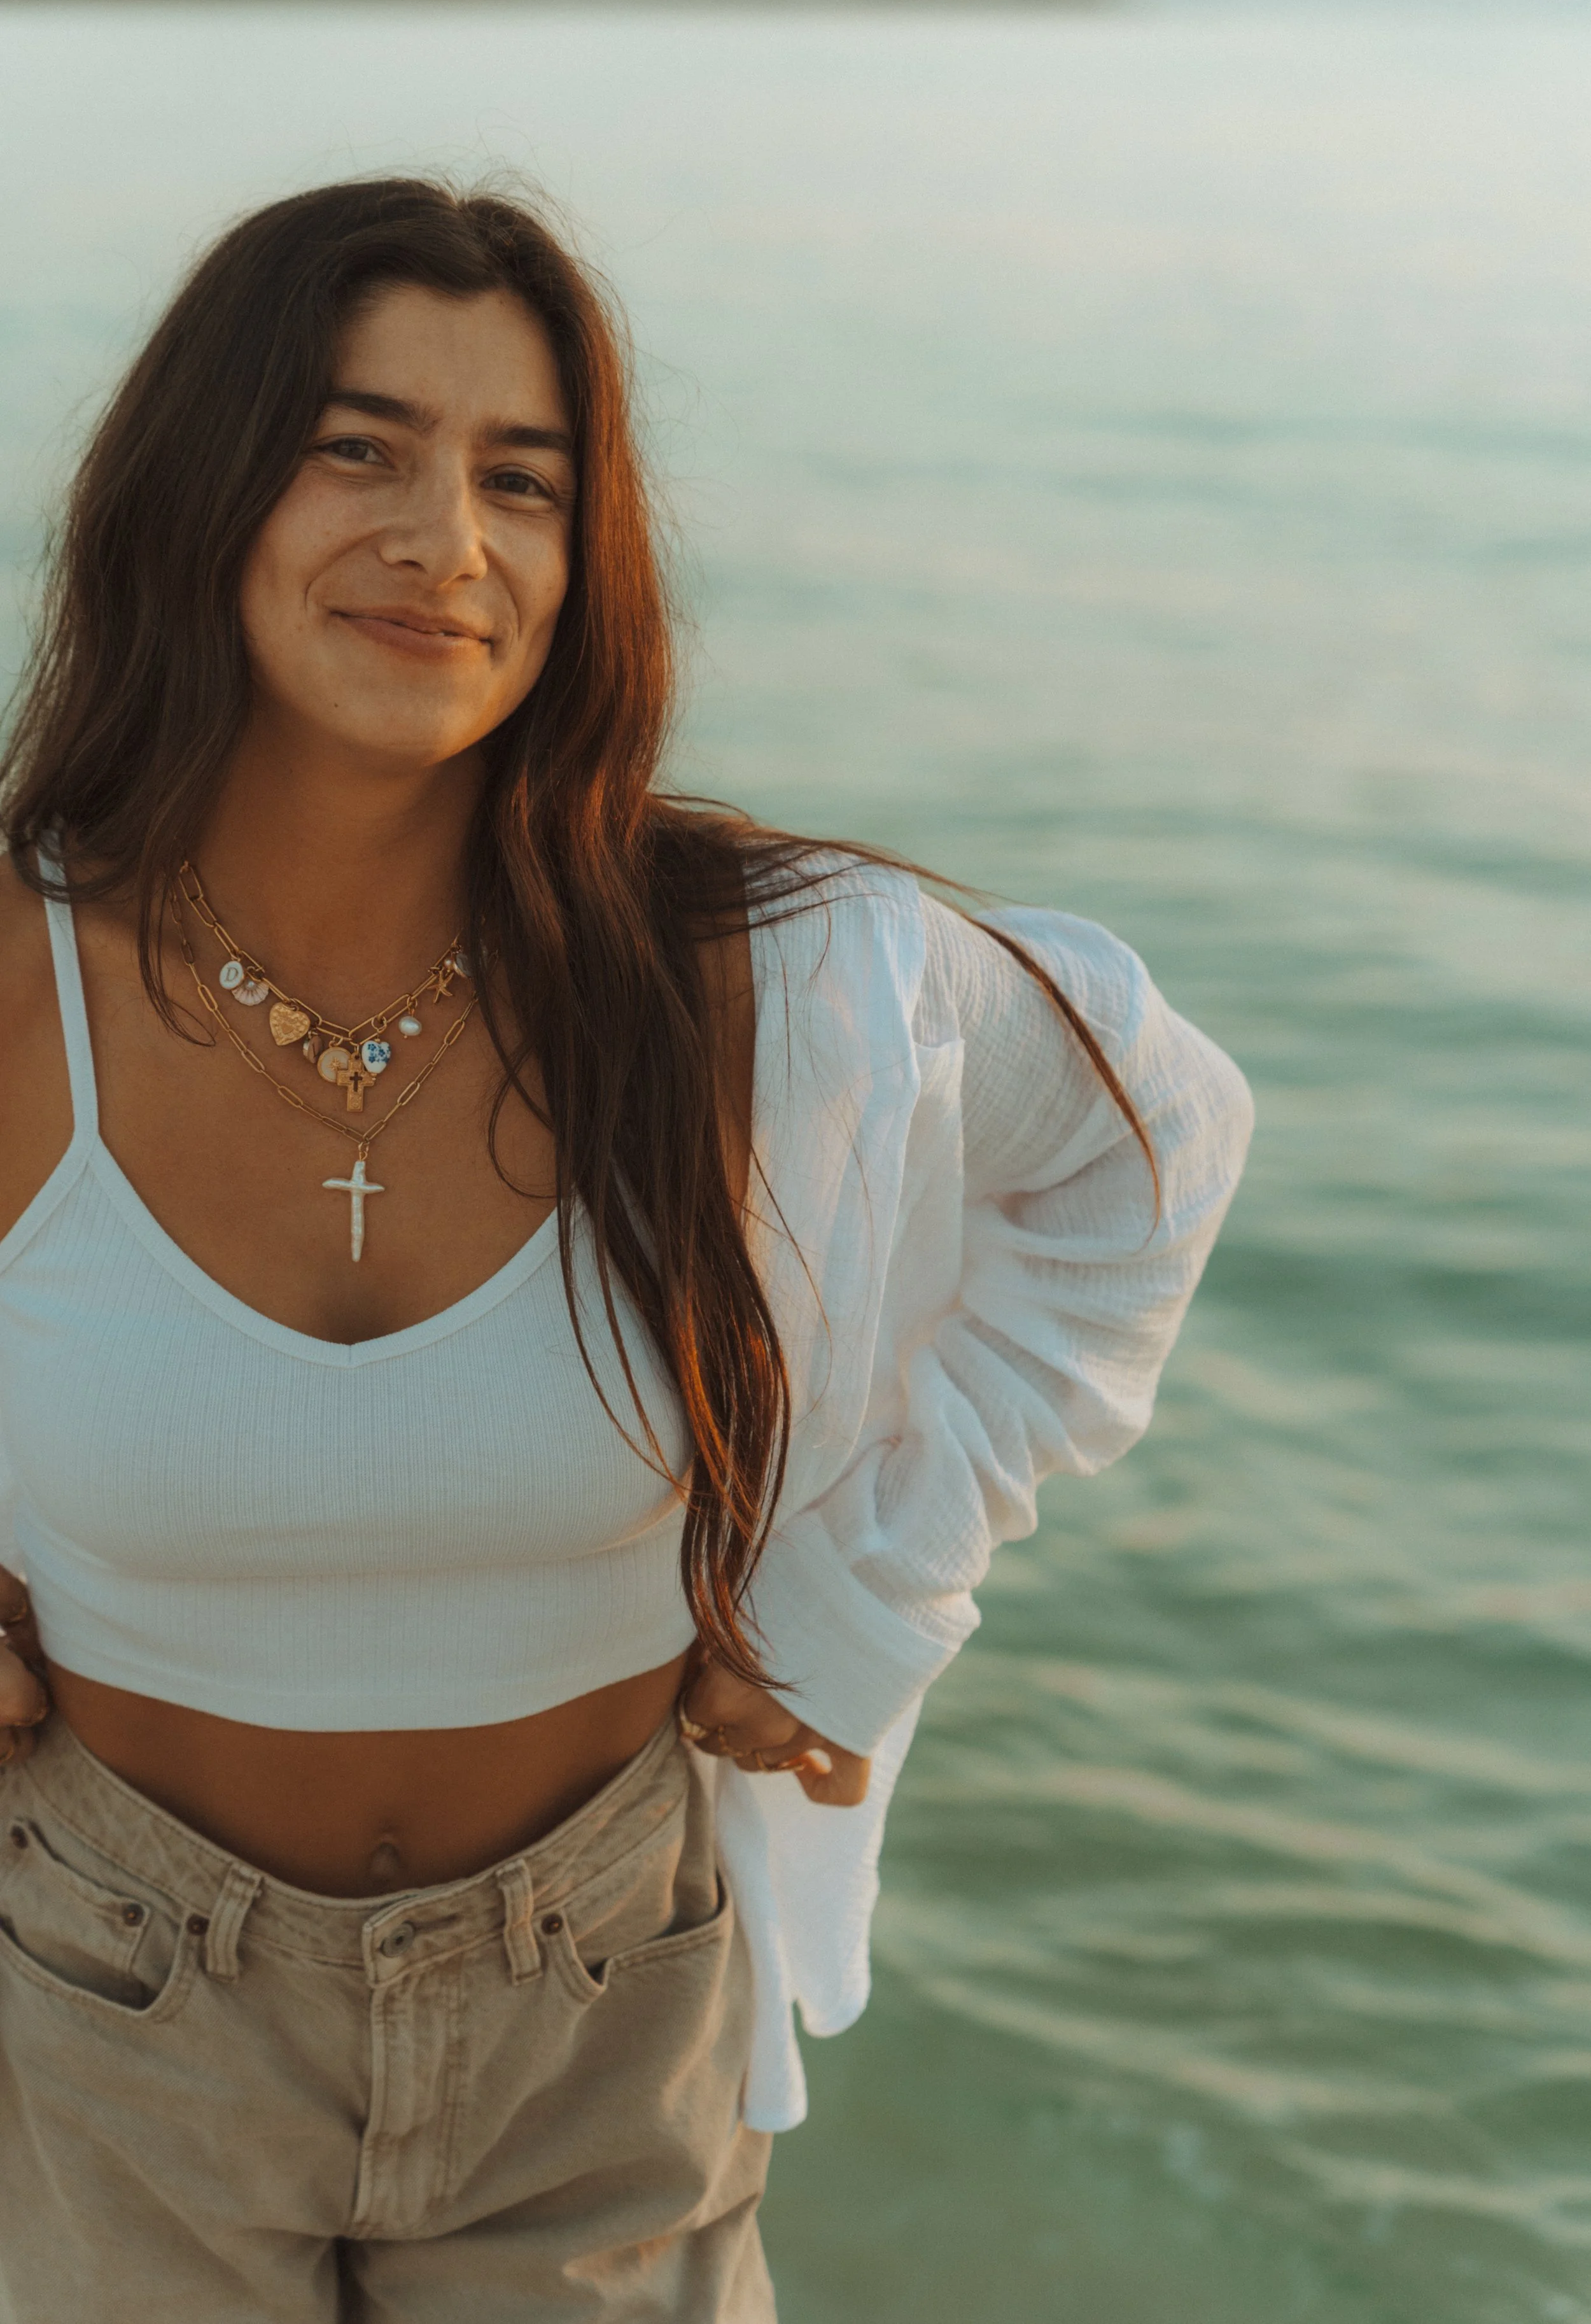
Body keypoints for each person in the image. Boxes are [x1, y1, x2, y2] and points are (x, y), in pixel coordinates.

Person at [0, 178, 1252, 2321]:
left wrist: (863, 1592)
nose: (445, 543)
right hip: (118, 2002)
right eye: (354, 446)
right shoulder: (26, 974)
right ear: (196, 485)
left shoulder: (757, 979)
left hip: (600, 2006)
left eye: (522, 480)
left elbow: (1154, 1138)